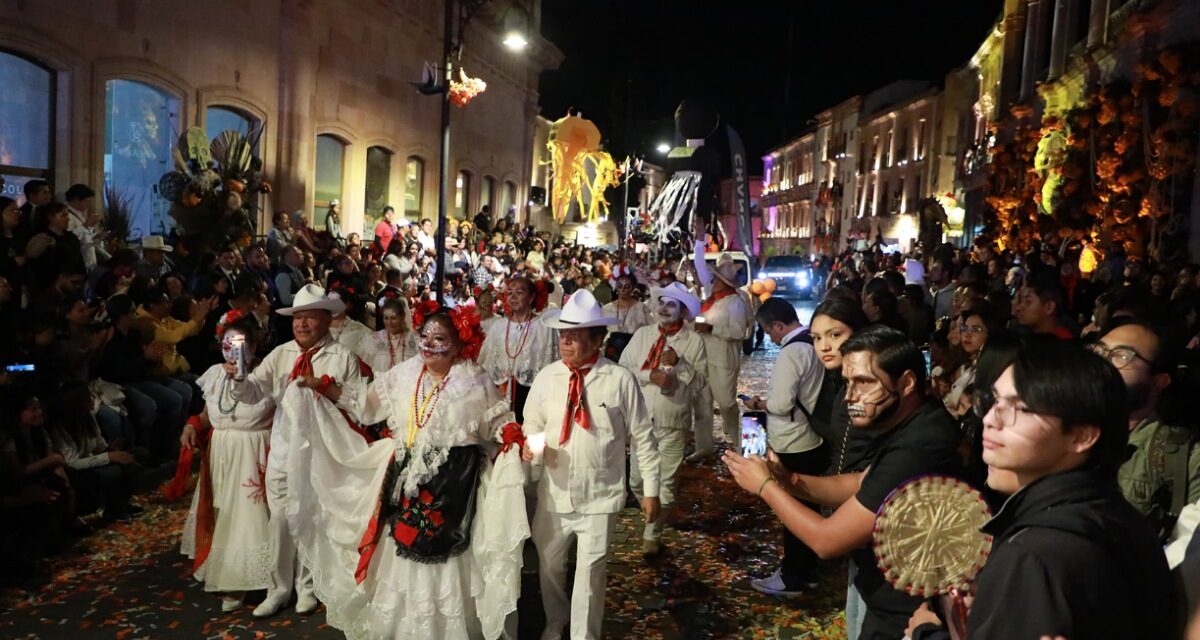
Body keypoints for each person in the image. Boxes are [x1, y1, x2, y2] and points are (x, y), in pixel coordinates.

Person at [271, 302, 526, 639]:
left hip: (457, 485)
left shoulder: (474, 379)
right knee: (404, 550)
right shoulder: (403, 374)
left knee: (451, 555)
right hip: (407, 481)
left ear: (459, 343)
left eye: (441, 339)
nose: (430, 345)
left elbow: (497, 421)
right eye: (426, 337)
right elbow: (364, 406)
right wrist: (323, 387)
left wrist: (510, 435)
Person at [909, 341, 1177, 639]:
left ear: (1081, 435)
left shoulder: (1035, 554)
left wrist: (926, 633)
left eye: (1019, 408)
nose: (989, 420)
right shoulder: (1114, 515)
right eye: (995, 401)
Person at [724, 326, 961, 639]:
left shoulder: (922, 443)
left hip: (911, 612)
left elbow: (827, 541)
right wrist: (788, 480)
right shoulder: (909, 422)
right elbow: (860, 482)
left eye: (864, 382)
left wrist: (765, 487)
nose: (851, 397)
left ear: (906, 383)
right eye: (848, 383)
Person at [522, 289, 661, 640]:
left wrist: (650, 491)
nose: (565, 342)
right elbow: (531, 424)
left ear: (598, 339)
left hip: (601, 495)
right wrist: (530, 446)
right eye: (563, 335)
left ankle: (584, 636)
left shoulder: (619, 380)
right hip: (553, 493)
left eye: (575, 335)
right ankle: (556, 621)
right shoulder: (547, 378)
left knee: (590, 573)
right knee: (550, 566)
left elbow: (643, 436)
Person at [224, 284, 366, 617]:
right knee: (281, 520)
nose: (301, 324)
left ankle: (307, 587)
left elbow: (359, 405)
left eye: (309, 318)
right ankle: (278, 589)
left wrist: (329, 390)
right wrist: (238, 377)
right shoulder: (281, 354)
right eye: (297, 318)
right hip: (284, 450)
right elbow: (252, 393)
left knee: (311, 518)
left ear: (326, 320)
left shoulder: (342, 356)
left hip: (323, 452)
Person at [178, 314, 275, 612]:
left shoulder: (266, 374)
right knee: (225, 512)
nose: (232, 352)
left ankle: (249, 579)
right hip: (221, 452)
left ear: (254, 346)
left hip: (253, 452)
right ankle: (225, 571)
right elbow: (209, 414)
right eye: (226, 344)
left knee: (248, 517)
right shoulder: (214, 373)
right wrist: (192, 425)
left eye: (239, 345)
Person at [741, 297, 828, 596]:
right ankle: (809, 570)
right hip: (811, 436)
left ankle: (792, 577)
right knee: (809, 504)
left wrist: (758, 403)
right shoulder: (813, 342)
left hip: (792, 440)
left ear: (778, 325)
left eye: (769, 331)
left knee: (793, 511)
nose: (770, 338)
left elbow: (780, 403)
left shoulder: (791, 353)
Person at [617, 281, 707, 556]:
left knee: (666, 483)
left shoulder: (693, 341)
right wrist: (649, 375)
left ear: (681, 310)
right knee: (636, 481)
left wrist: (681, 364)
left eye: (672, 304)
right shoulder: (643, 335)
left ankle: (652, 535)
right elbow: (622, 368)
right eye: (662, 303)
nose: (665, 308)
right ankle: (650, 511)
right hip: (641, 419)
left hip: (673, 418)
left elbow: (701, 381)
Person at [1091, 322, 1200, 541]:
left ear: (1160, 380)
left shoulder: (1182, 457)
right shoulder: (1063, 431)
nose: (1103, 362)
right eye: (1099, 350)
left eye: (1122, 356)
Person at [689, 241, 750, 462]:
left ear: (724, 283)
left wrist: (711, 328)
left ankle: (737, 441)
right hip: (704, 358)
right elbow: (700, 320)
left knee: (726, 403)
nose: (712, 282)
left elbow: (739, 331)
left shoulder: (736, 303)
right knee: (702, 404)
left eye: (715, 279)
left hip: (723, 359)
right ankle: (703, 445)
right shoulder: (712, 301)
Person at [478, 276, 558, 423]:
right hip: (500, 393)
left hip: (531, 394)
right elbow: (486, 363)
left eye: (519, 292)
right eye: (509, 293)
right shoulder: (498, 326)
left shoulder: (544, 327)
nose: (513, 297)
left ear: (531, 297)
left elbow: (552, 363)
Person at [361, 298, 418, 374]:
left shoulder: (414, 338)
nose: (389, 323)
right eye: (386, 318)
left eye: (393, 318)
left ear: (403, 317)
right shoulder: (375, 339)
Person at [602, 266, 652, 335]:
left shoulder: (642, 308)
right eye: (620, 286)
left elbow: (650, 332)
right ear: (615, 287)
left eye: (627, 286)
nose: (623, 289)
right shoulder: (606, 309)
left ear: (633, 288)